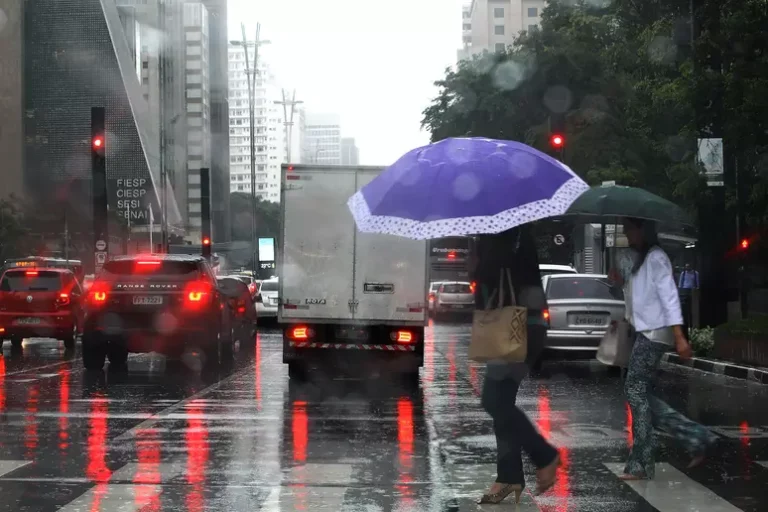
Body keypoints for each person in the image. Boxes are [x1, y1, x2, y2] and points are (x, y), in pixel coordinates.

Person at [610, 218, 717, 480]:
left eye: (630, 229)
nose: (626, 233)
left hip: (654, 333)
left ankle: (642, 463)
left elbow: (669, 297)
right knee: (643, 396)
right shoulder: (639, 259)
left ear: (642, 230)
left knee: (634, 390)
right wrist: (618, 282)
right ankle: (697, 437)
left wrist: (680, 336)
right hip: (643, 331)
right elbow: (636, 298)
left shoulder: (656, 257)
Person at [471, 226, 560, 504]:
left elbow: (490, 278)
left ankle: (544, 455)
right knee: (501, 404)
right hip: (521, 327)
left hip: (516, 329)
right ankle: (509, 476)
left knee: (494, 400)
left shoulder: (504, 237)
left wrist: (475, 263)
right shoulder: (513, 235)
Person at [678, 263, 699, 332]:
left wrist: (696, 289)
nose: (687, 268)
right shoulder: (683, 273)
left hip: (692, 291)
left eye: (688, 267)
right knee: (685, 309)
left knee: (692, 309)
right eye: (686, 267)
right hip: (684, 291)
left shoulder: (695, 273)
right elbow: (680, 284)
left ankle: (693, 325)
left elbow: (697, 283)